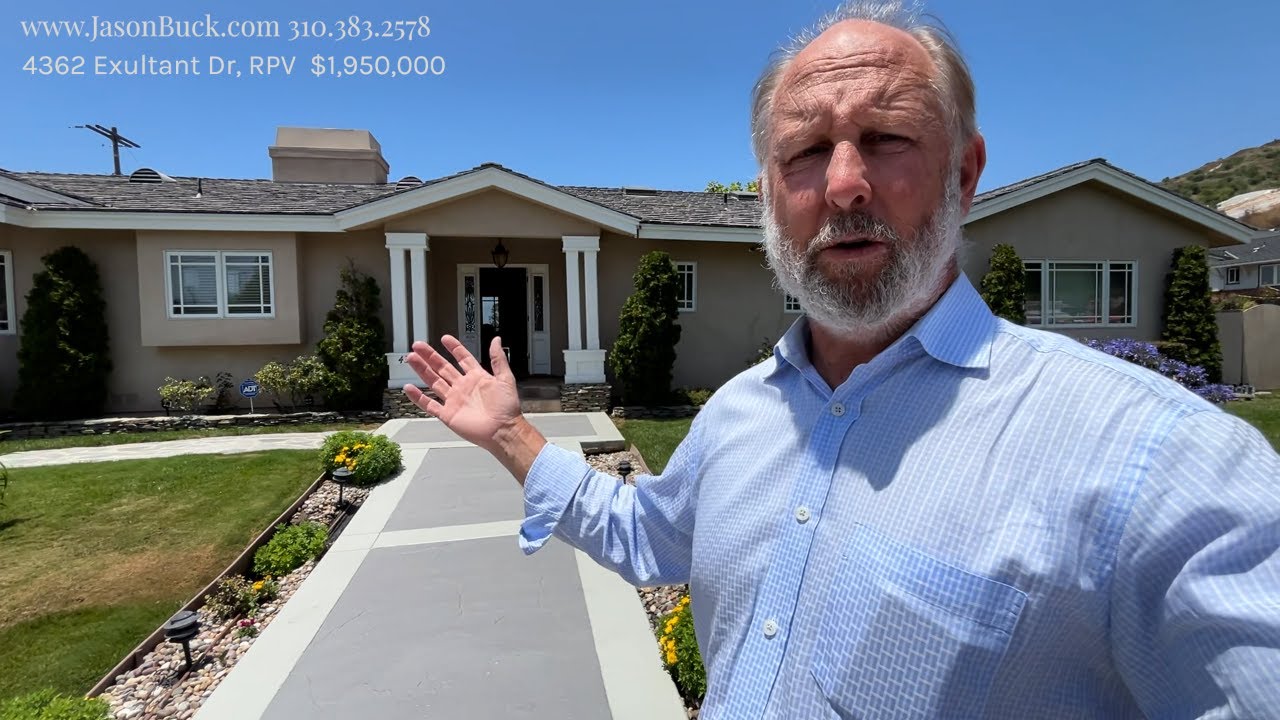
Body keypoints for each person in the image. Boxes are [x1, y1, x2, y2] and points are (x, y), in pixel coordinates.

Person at [403, 2, 1280, 717]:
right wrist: (511, 435)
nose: (845, 182)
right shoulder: (740, 415)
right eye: (806, 152)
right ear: (767, 196)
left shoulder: (1157, 462)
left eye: (887, 136)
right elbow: (649, 535)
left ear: (964, 175)